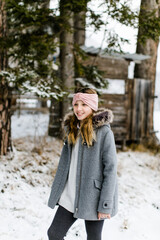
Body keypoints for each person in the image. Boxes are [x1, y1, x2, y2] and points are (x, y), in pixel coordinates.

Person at [47, 87, 118, 240]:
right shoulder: (72, 130)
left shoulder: (104, 132)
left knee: (93, 237)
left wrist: (105, 204)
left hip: (93, 198)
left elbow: (111, 170)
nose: (79, 109)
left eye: (84, 105)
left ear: (92, 106)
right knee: (54, 234)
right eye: (76, 105)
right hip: (70, 195)